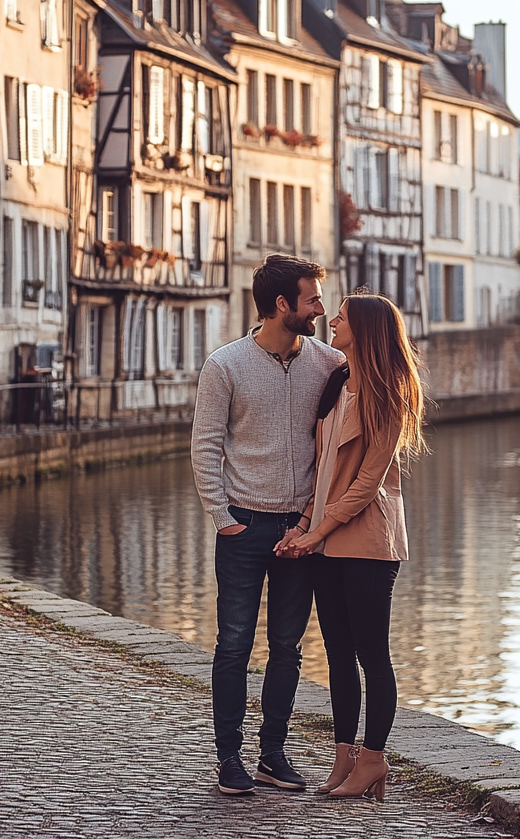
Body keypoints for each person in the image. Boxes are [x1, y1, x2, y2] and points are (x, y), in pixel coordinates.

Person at [191, 254, 345, 796]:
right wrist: (222, 517)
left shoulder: (328, 363)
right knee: (232, 644)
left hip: (299, 533)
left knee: (288, 647)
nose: (321, 309)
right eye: (312, 299)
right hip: (243, 526)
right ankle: (228, 758)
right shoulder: (226, 365)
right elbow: (206, 445)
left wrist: (312, 520)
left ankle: (272, 755)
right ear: (283, 305)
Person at [277, 295, 427, 802]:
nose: (332, 322)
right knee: (338, 655)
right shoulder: (338, 382)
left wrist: (317, 533)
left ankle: (374, 759)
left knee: (371, 654)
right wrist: (303, 524)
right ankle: (345, 757)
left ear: (364, 329)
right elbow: (323, 470)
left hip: (366, 541)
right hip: (324, 538)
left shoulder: (390, 393)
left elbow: (367, 482)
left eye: (341, 316)